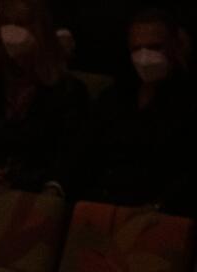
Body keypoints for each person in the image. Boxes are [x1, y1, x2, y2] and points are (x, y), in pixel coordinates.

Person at [0, 0, 87, 193]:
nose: (12, 32)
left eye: (21, 24)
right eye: (6, 23)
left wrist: (38, 186)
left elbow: (69, 156)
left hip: (35, 196)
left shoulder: (68, 91)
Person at [67, 8, 197, 216]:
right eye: (137, 49)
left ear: (174, 47)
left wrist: (157, 207)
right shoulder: (114, 97)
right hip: (98, 206)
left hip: (159, 216)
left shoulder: (190, 102)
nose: (145, 56)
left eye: (155, 47)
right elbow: (83, 148)